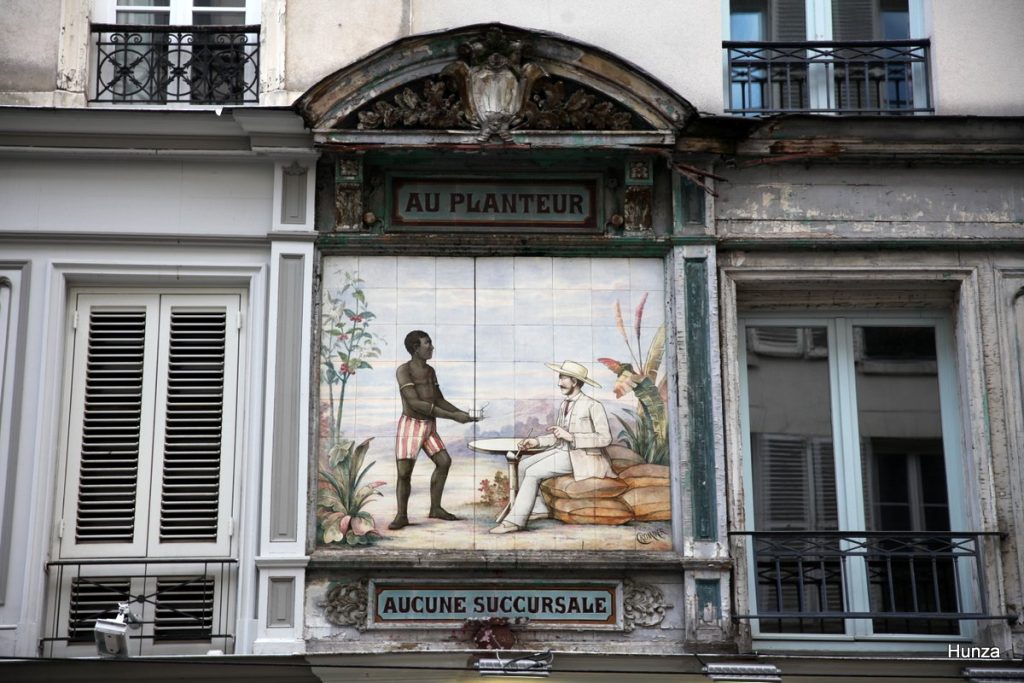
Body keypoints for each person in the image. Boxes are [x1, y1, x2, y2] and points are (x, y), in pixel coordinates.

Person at [490, 360, 615, 534]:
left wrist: (571, 437)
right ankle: (540, 509)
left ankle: (515, 522)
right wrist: (536, 442)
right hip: (563, 451)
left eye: (564, 378)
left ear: (575, 381)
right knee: (524, 464)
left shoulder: (593, 405)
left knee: (533, 472)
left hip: (582, 457)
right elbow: (558, 436)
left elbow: (605, 438)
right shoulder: (565, 404)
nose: (559, 382)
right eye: (560, 377)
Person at [390, 330, 479, 530]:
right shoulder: (403, 370)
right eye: (427, 343)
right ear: (415, 348)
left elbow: (438, 399)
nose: (431, 347)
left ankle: (436, 508)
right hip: (411, 425)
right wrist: (453, 416)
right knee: (404, 473)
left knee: (444, 461)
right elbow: (415, 403)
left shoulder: (430, 371)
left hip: (429, 426)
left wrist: (461, 413)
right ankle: (401, 515)